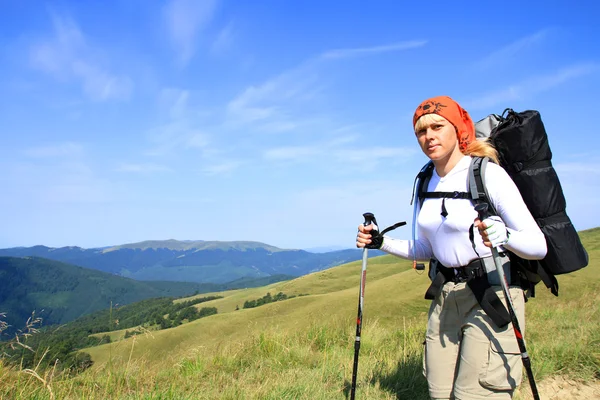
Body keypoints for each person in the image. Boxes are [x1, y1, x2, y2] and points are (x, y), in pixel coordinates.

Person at [356, 95, 547, 400]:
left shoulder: (486, 173)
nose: (429, 136)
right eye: (421, 130)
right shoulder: (425, 181)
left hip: (492, 293)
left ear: (457, 128)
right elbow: (427, 249)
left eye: (437, 126)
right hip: (446, 297)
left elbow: (538, 247)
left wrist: (505, 236)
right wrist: (381, 242)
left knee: (478, 394)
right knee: (439, 392)